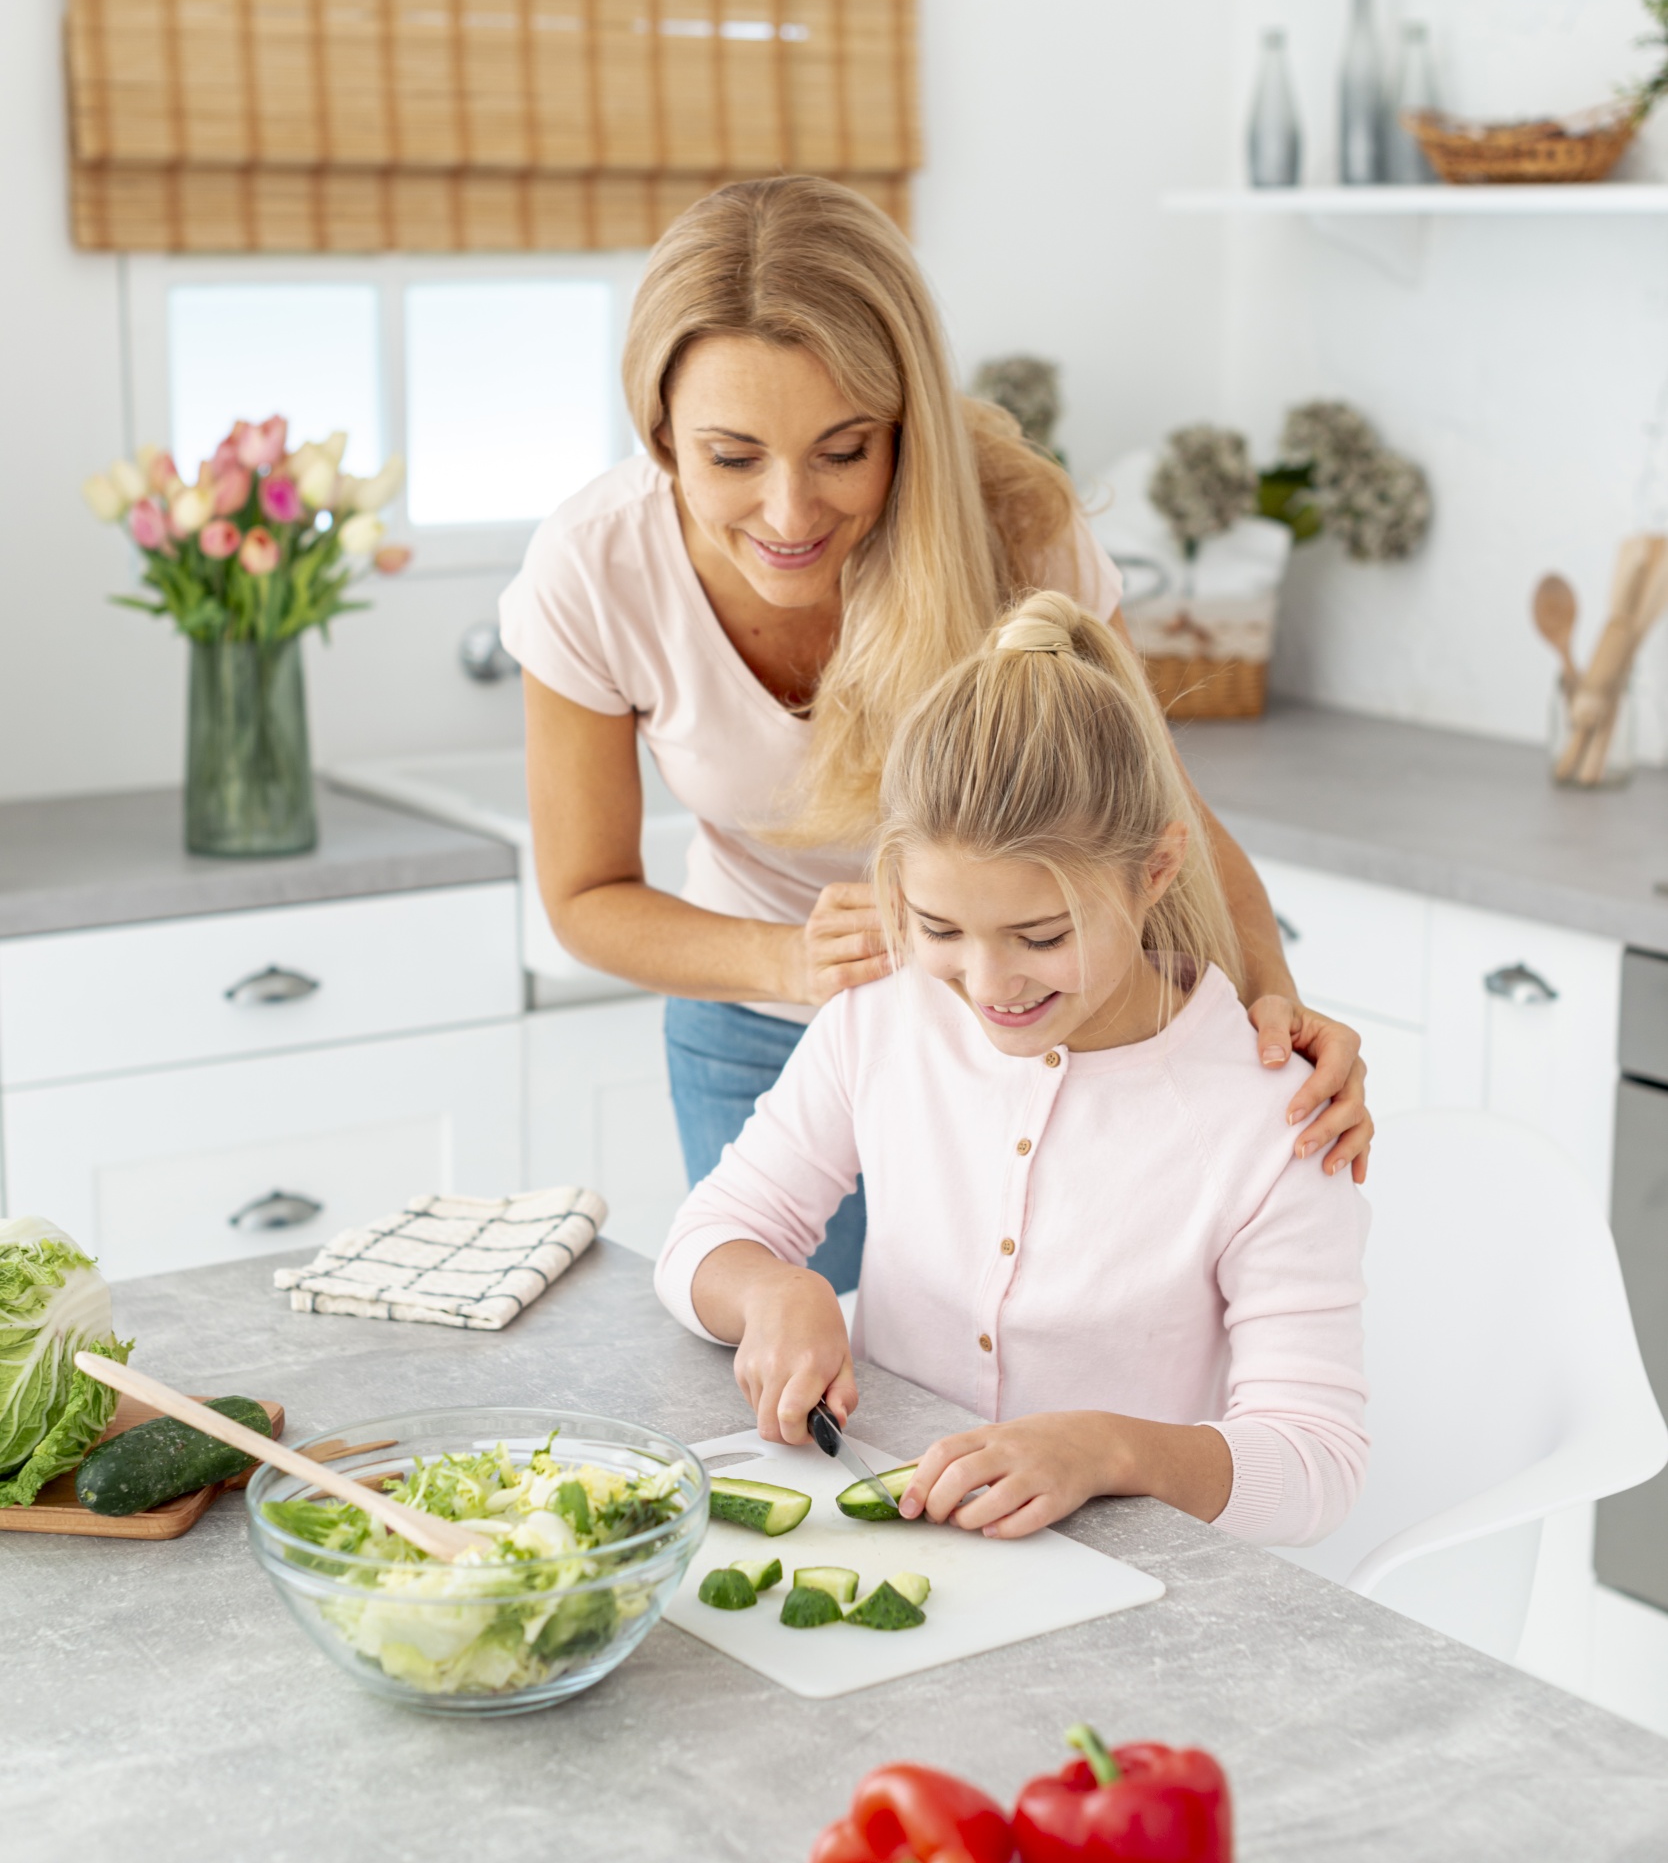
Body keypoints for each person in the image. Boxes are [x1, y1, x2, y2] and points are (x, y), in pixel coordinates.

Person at [500, 176, 1372, 1294]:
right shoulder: (595, 567)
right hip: (758, 1029)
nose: (789, 512)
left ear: (904, 420)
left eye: (843, 449)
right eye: (732, 457)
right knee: (784, 1375)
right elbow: (584, 897)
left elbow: (1161, 812)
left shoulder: (1013, 528)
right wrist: (793, 962)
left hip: (1020, 1015)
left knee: (1001, 1388)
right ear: (661, 432)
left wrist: (1275, 1011)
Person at [653, 595, 1369, 1549]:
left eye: (1041, 936)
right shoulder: (881, 1018)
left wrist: (1113, 1451)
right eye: (940, 929)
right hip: (893, 1546)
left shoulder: (1277, 1115)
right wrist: (775, 1292)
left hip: (1130, 1591)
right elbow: (707, 1236)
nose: (987, 987)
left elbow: (1318, 1465)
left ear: (1155, 869)